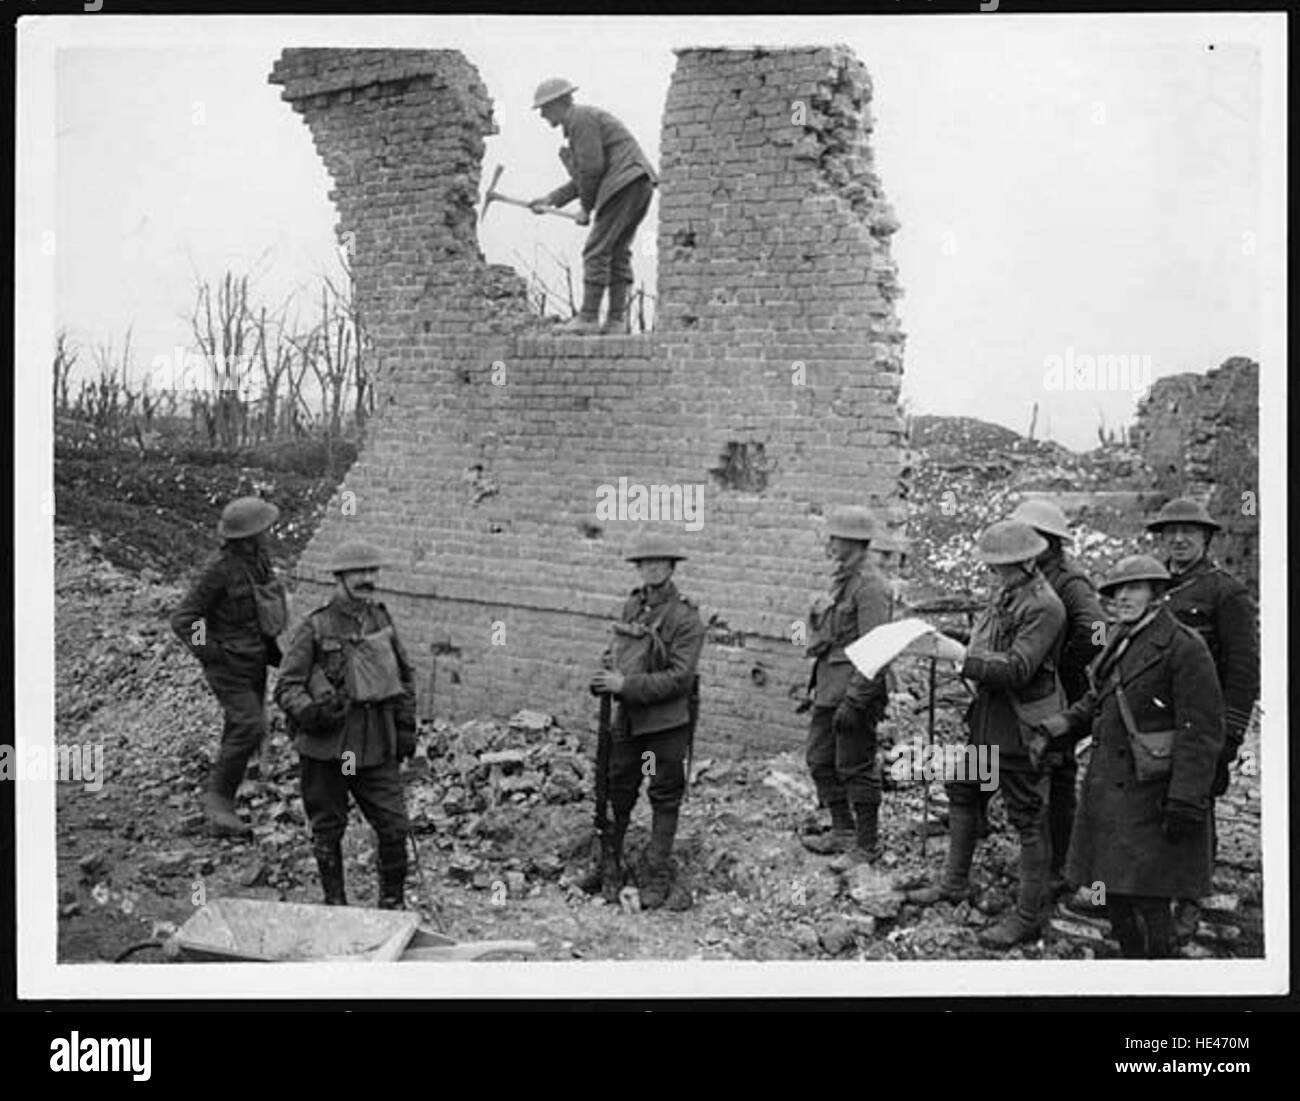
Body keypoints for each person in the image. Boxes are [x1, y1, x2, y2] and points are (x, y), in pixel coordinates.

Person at [1035, 555, 1225, 957]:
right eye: (1116, 590)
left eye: (1133, 588)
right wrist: (1063, 724)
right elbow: (1098, 698)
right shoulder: (1120, 637)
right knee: (1116, 894)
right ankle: (1133, 962)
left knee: (1151, 900)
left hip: (1152, 795)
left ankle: (1156, 971)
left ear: (1157, 595)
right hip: (1112, 792)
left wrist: (1185, 800)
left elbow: (1202, 731)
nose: (1122, 597)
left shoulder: (1184, 647)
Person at [909, 520, 1067, 949]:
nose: (996, 574)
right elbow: (987, 643)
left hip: (1020, 727)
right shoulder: (1007, 593)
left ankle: (1028, 915)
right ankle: (954, 883)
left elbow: (1017, 669)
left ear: (1030, 561)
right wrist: (944, 639)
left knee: (1028, 817)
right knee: (964, 788)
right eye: (994, 567)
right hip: (988, 721)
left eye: (1006, 566)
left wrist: (958, 657)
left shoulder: (1044, 606)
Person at [274, 540, 418, 908]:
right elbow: (287, 685)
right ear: (339, 578)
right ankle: (335, 904)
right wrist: (309, 712)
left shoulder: (381, 619)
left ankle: (392, 905)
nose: (368, 578)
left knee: (394, 826)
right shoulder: (315, 627)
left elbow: (404, 675)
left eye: (373, 571)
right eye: (359, 572)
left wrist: (404, 727)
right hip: (329, 747)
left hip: (375, 743)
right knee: (327, 829)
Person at [1145, 497, 1259, 940]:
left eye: (1188, 532)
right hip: (1155, 723)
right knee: (1157, 805)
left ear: (1207, 538)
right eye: (1169, 532)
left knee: (1195, 807)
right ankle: (1155, 888)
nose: (1177, 539)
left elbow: (1244, 671)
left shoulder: (1226, 592)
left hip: (1201, 724)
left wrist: (1229, 735)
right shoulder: (1153, 586)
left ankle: (1190, 899)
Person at [588, 531, 704, 910]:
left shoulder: (685, 618)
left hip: (664, 727)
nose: (652, 570)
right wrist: (609, 673)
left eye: (659, 563)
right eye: (645, 564)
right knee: (618, 788)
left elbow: (679, 677)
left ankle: (656, 875)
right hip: (630, 723)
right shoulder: (632, 606)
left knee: (663, 795)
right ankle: (609, 865)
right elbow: (624, 652)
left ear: (671, 568)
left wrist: (626, 683)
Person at [171, 496, 288, 837]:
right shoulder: (218, 570)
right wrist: (211, 652)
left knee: (245, 726)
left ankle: (227, 797)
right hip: (228, 665)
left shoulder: (259, 563)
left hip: (255, 660)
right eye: (262, 531)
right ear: (247, 536)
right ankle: (218, 800)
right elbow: (185, 618)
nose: (267, 535)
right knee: (249, 725)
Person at [1008, 498, 1105, 896]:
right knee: (1042, 773)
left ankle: (1061, 864)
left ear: (1048, 542)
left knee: (1059, 777)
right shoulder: (1030, 575)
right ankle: (1047, 858)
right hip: (1041, 694)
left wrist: (1062, 663)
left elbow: (1097, 630)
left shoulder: (1069, 582)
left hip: (1063, 695)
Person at [800, 506, 892, 871]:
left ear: (852, 542)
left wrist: (856, 699)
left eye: (835, 538)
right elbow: (826, 638)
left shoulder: (872, 586)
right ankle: (842, 830)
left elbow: (877, 649)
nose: (830, 544)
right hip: (828, 688)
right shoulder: (842, 581)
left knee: (855, 766)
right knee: (820, 760)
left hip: (855, 691)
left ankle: (866, 845)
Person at [528, 77, 658, 335]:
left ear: (558, 103)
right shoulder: (581, 122)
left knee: (595, 251)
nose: (542, 114)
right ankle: (616, 322)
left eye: (544, 108)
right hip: (637, 182)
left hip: (623, 183)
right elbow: (583, 179)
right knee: (617, 251)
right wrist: (550, 199)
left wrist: (586, 209)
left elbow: (592, 170)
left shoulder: (579, 120)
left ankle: (588, 318)